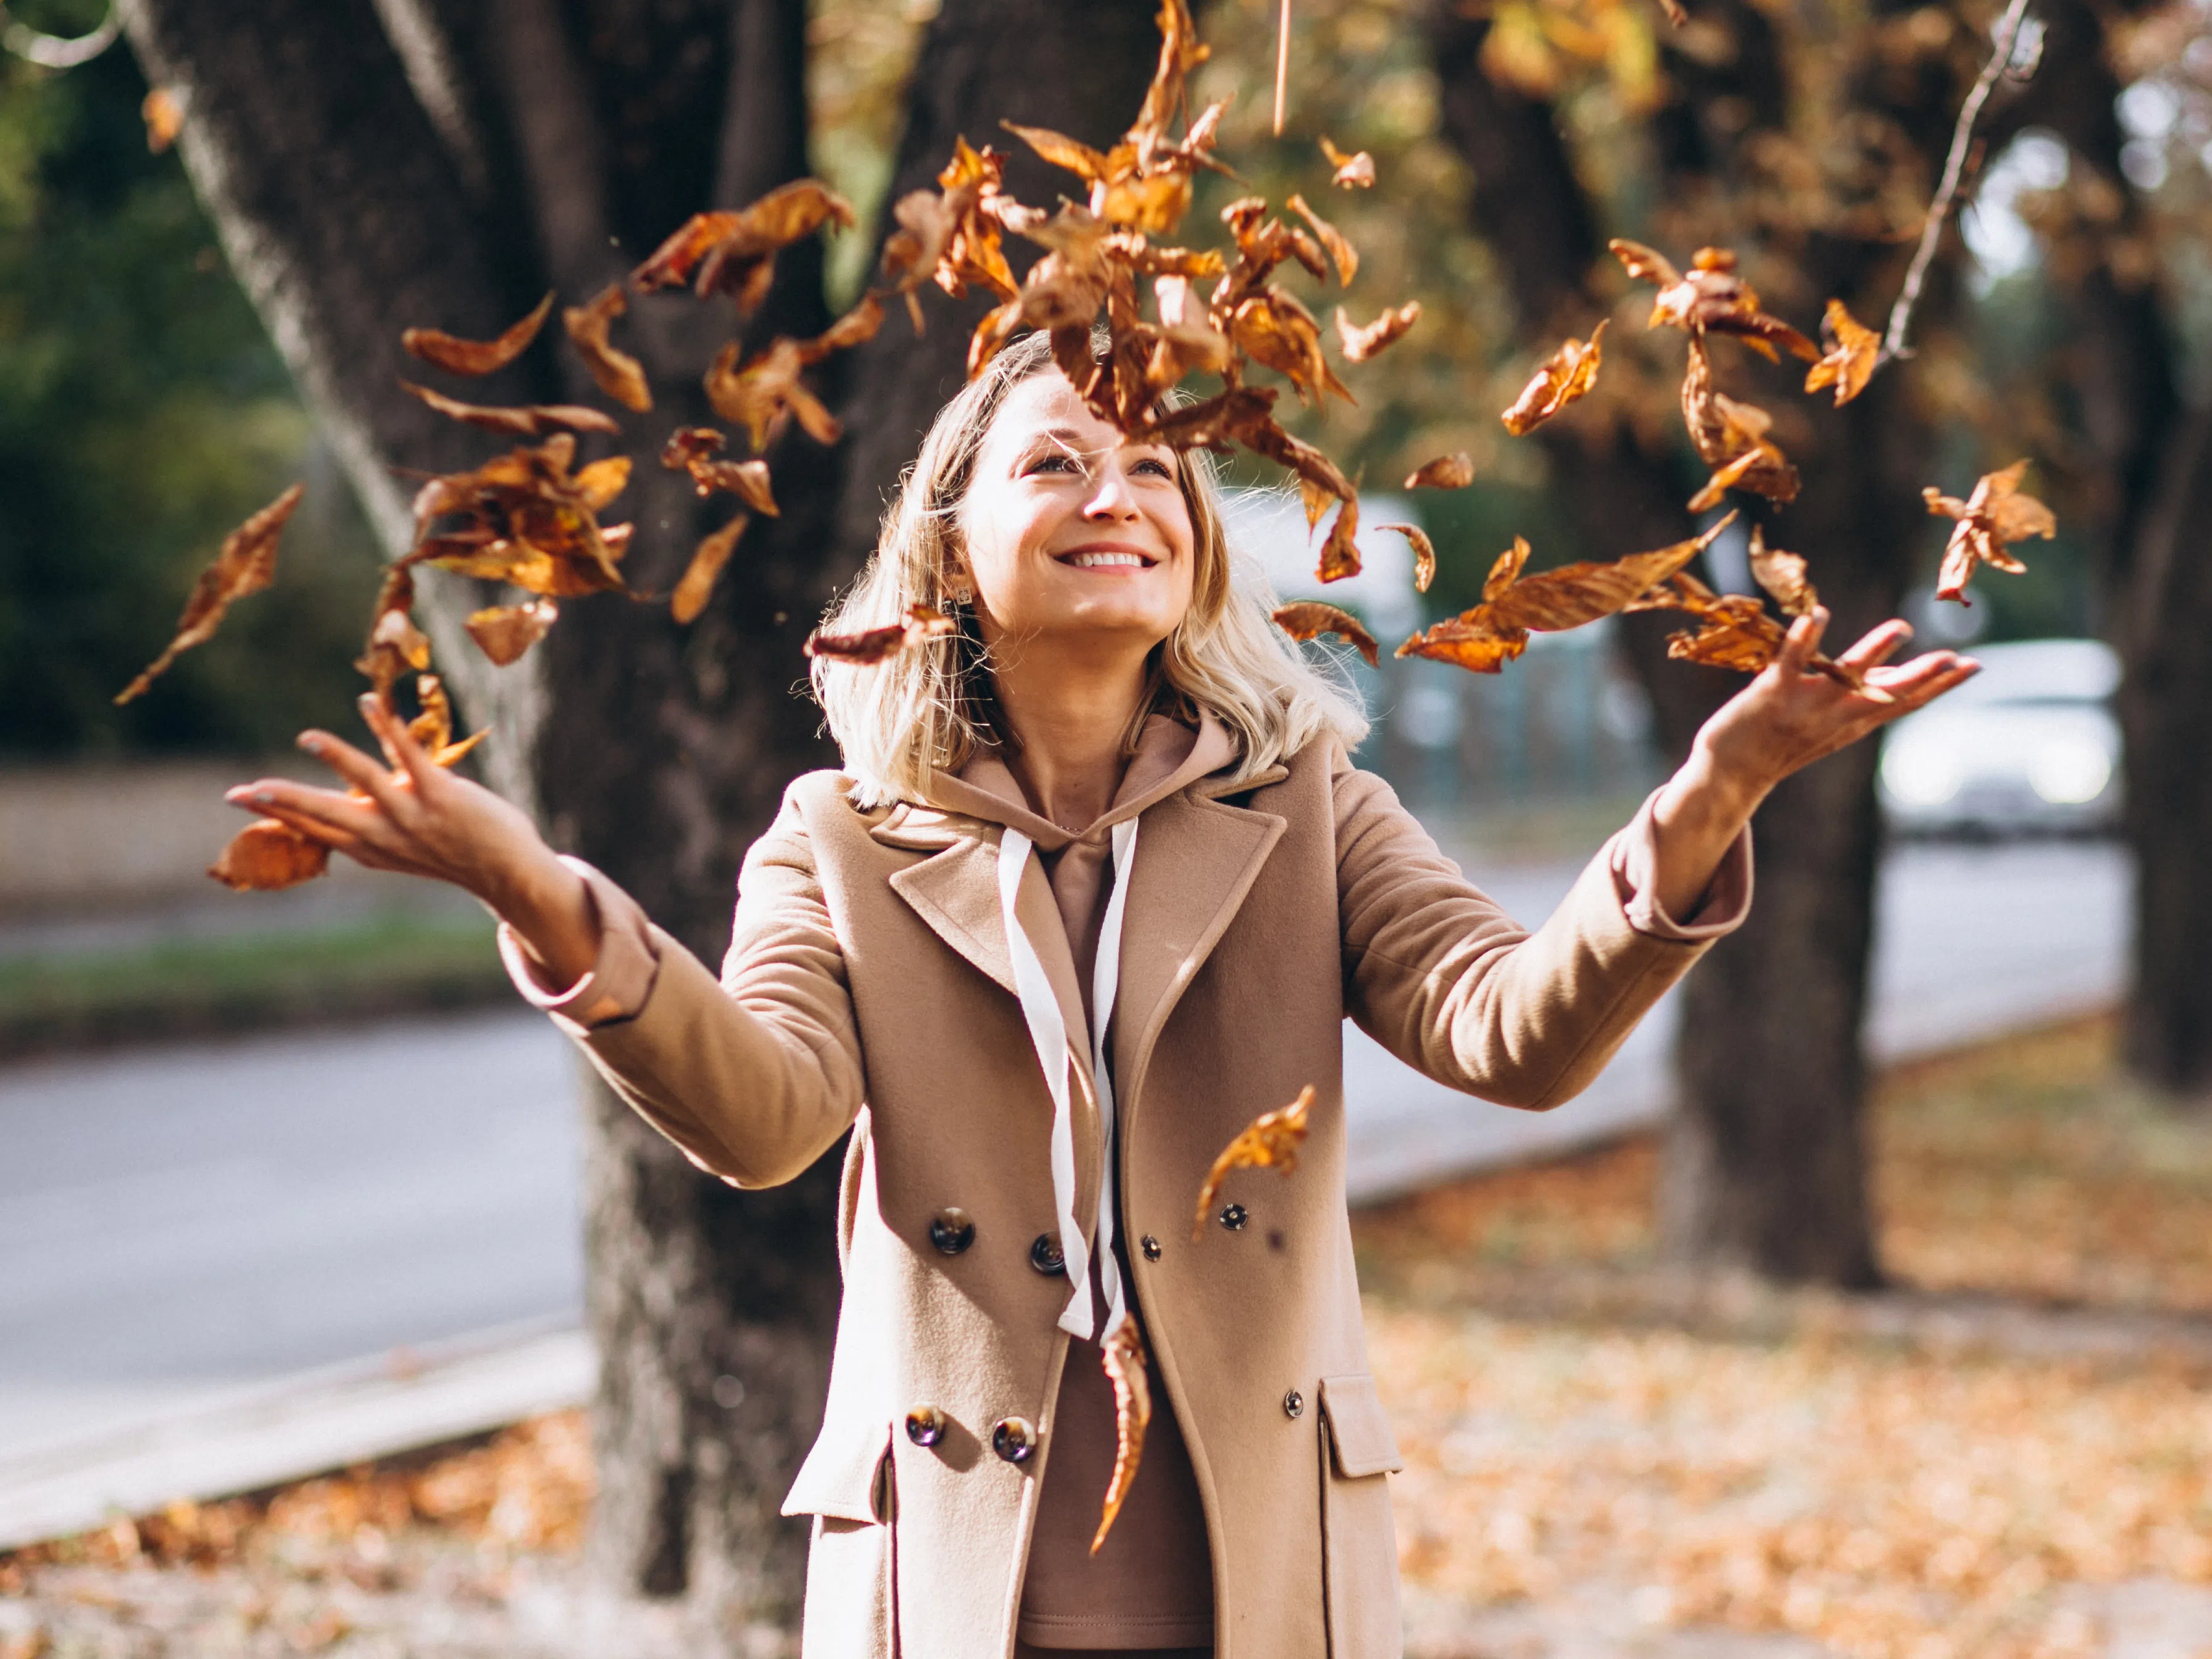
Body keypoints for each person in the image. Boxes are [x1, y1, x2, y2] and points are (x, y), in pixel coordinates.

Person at [228, 328, 1976, 1659]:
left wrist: (1710, 798)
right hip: (962, 1557)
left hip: (1254, 1542)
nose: (1115, 495)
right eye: (1052, 463)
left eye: (1151, 471)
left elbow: (1512, 1037)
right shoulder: (835, 838)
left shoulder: (1312, 812)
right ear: (950, 556)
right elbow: (765, 1119)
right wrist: (534, 891)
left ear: (1201, 557)